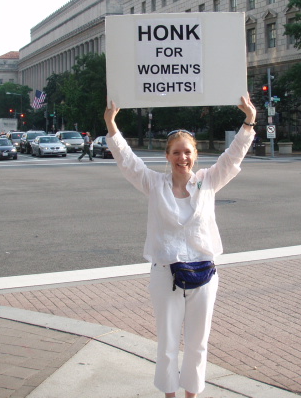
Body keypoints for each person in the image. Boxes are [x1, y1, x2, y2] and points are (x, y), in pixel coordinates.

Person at [104, 94, 256, 398]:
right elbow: (127, 161)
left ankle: (192, 394)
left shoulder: (208, 181)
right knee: (168, 342)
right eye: (176, 152)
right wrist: (111, 124)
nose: (182, 158)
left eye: (187, 152)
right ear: (167, 155)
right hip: (166, 274)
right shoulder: (154, 184)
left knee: (199, 343)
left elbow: (233, 156)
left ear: (195, 155)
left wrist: (249, 120)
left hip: (204, 274)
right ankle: (170, 394)